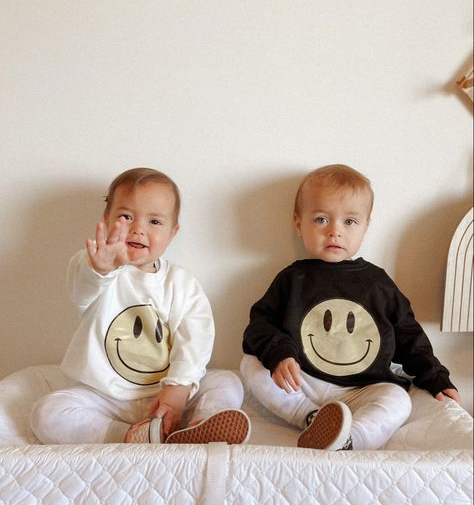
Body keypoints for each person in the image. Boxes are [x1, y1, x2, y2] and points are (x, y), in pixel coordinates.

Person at [240, 164, 459, 451]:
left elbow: (409, 334)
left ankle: (351, 439)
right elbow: (259, 324)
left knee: (398, 400)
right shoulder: (292, 279)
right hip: (304, 382)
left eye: (350, 222)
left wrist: (436, 378)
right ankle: (310, 418)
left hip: (363, 389)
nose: (334, 232)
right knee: (251, 363)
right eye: (321, 219)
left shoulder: (377, 283)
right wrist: (279, 354)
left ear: (366, 226)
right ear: (298, 223)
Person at [31, 167, 250, 445]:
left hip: (166, 395)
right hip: (104, 396)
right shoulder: (96, 267)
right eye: (126, 216)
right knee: (47, 412)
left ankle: (201, 425)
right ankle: (130, 436)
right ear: (107, 220)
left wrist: (179, 388)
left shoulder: (180, 282)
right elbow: (82, 290)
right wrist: (100, 268)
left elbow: (196, 337)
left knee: (227, 382)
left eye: (155, 222)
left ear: (173, 232)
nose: (138, 229)